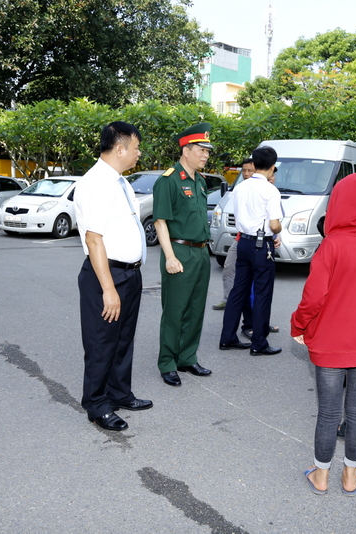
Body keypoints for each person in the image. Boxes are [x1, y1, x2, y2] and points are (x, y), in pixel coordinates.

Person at [291, 173, 356, 495]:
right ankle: (350, 476)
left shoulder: (330, 246)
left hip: (331, 346)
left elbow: (313, 299)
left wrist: (299, 325)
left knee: (329, 412)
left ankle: (320, 477)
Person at [74, 121, 152, 432]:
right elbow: (94, 239)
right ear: (119, 149)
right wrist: (108, 289)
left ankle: (120, 392)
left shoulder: (119, 181)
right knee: (101, 342)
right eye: (135, 148)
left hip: (128, 273)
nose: (138, 153)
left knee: (122, 340)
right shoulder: (96, 183)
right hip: (107, 275)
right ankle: (96, 404)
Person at [152, 123, 214, 386]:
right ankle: (167, 361)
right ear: (185, 150)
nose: (205, 155)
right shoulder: (168, 180)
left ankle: (187, 357)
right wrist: (169, 256)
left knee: (195, 309)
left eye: (208, 151)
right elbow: (160, 222)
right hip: (179, 251)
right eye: (201, 150)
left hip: (201, 252)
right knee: (175, 310)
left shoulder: (200, 181)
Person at [219, 145, 283, 355]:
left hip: (243, 242)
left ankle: (227, 337)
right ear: (273, 167)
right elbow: (274, 225)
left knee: (238, 290)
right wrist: (279, 229)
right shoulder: (270, 190)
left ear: (254, 165)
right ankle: (259, 343)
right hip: (261, 243)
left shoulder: (241, 187)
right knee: (263, 292)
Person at [213, 158, 255, 311]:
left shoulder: (263, 189)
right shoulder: (239, 188)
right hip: (240, 237)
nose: (246, 173)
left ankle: (254, 313)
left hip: (257, 240)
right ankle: (228, 299)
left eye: (250, 170)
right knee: (229, 267)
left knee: (254, 278)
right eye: (243, 170)